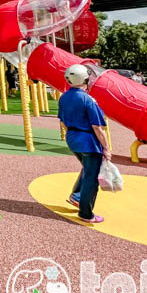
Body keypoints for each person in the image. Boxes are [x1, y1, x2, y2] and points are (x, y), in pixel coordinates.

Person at [57, 64, 110, 224]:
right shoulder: (87, 99)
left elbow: (63, 120)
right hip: (88, 140)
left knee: (87, 168)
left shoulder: (64, 97)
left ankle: (77, 196)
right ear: (85, 79)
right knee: (91, 178)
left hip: (73, 137)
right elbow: (97, 127)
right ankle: (86, 212)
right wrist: (106, 148)